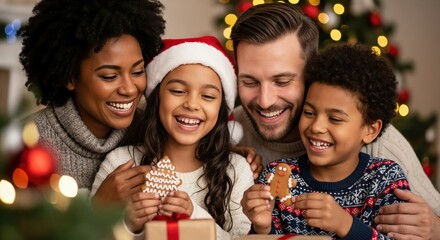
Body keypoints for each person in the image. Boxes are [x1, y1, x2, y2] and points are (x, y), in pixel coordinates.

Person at [231, 2, 440, 239]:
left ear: (311, 74)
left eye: (282, 81)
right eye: (249, 82)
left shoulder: (383, 150)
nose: (265, 101)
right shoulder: (230, 131)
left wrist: (435, 228)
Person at [91, 36, 254, 240]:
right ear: (157, 96)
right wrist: (128, 225)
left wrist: (194, 218)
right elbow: (88, 231)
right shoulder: (121, 162)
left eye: (208, 96)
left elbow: (241, 238)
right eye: (178, 91)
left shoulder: (236, 169)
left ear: (221, 108)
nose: (192, 104)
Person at [243, 43, 411, 239]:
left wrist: (347, 226)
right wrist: (262, 229)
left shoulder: (385, 180)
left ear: (370, 130)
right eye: (309, 112)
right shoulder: (277, 176)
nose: (316, 127)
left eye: (335, 119)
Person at [18, 0, 165, 200]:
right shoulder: (24, 143)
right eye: (109, 76)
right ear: (70, 77)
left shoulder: (151, 132)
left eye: (137, 71)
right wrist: (98, 207)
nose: (130, 89)